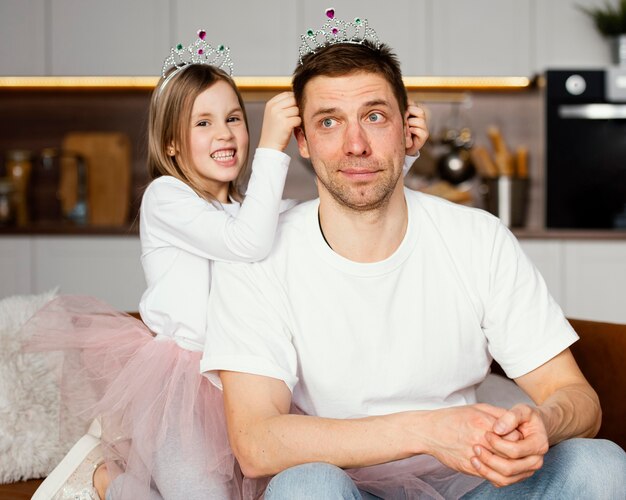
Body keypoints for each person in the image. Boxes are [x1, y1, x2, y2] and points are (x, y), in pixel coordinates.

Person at [200, 12, 626, 500]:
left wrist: (544, 423)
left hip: (478, 488)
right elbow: (255, 442)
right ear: (303, 142)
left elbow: (577, 398)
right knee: (306, 487)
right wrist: (427, 431)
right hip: (346, 490)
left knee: (600, 464)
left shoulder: (478, 237)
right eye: (329, 122)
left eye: (374, 116)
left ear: (408, 129)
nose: (355, 144)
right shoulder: (254, 256)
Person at [25, 28, 429, 500]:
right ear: (171, 145)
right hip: (184, 384)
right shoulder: (166, 198)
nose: (224, 133)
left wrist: (403, 159)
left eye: (234, 117)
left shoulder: (250, 208)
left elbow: (328, 217)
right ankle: (105, 480)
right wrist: (271, 150)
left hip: (245, 379)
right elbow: (247, 243)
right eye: (203, 123)